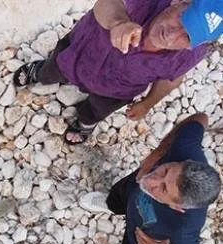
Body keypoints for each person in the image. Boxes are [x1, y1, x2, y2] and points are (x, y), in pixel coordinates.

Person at [13, 0, 223, 144]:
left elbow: (172, 79)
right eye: (182, 18)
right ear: (179, 2)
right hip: (77, 56)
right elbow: (107, 3)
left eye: (186, 37)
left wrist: (148, 103)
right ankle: (39, 72)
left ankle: (86, 122)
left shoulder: (192, 54)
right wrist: (119, 22)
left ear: (194, 46)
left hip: (116, 90)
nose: (171, 35)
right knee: (53, 69)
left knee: (97, 109)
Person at [80, 113, 221, 244]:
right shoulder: (185, 148)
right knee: (120, 193)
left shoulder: (184, 229)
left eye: (163, 189)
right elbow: (200, 118)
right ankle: (112, 205)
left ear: (178, 207)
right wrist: (158, 153)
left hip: (144, 230)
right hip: (132, 187)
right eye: (166, 170)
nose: (153, 180)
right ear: (183, 162)